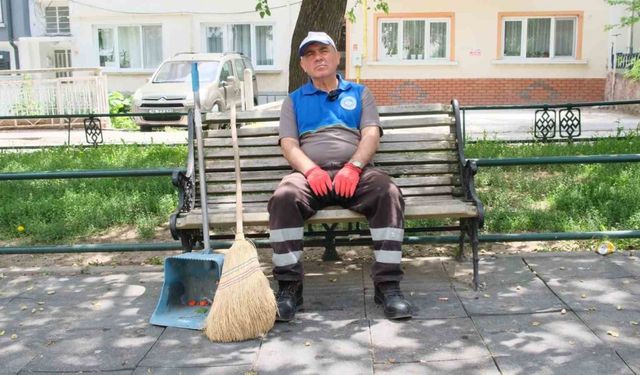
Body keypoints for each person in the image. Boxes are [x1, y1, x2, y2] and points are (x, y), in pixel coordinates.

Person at [268, 31, 413, 322]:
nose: (318, 57)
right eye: (310, 54)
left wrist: (354, 166)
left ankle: (388, 287)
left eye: (324, 51)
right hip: (311, 175)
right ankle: (289, 288)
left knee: (388, 192)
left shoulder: (360, 93)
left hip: (355, 173)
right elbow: (289, 144)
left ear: (337, 57)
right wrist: (309, 170)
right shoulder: (293, 101)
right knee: (283, 197)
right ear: (303, 66)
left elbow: (371, 133)